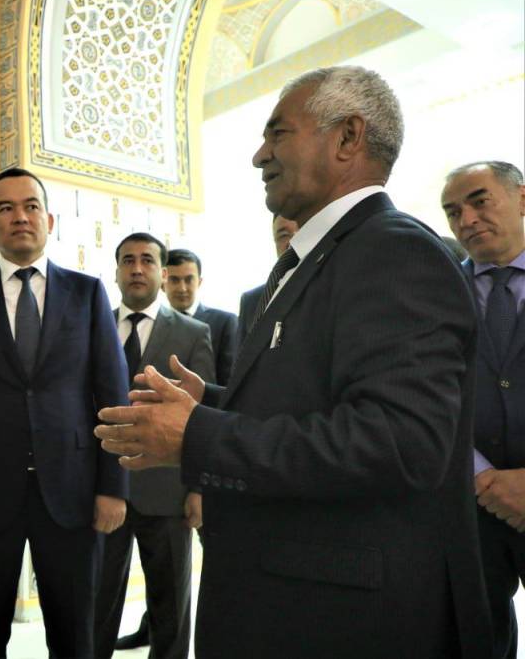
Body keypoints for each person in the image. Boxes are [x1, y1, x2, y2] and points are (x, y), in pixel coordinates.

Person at [95, 66, 492, 658]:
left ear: (348, 138)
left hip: (342, 619)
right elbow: (319, 403)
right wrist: (213, 403)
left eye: (278, 133)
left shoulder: (396, 251)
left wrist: (198, 433)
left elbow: (399, 441)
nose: (260, 155)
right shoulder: (318, 259)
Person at [0, 167, 129, 658]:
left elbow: (112, 396)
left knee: (74, 633)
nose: (20, 216)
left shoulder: (87, 293)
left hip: (73, 490)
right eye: (6, 208)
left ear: (49, 220)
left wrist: (113, 486)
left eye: (31, 206)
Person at [94, 233, 214, 659]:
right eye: (127, 260)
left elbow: (200, 418)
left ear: (162, 274)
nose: (136, 268)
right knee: (97, 606)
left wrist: (198, 488)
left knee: (170, 610)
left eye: (147, 260)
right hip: (103, 490)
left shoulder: (194, 333)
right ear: (116, 272)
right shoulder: (92, 328)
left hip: (167, 491)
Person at [441, 160, 525, 659]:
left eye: (479, 201)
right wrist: (481, 476)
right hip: (469, 507)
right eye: (453, 212)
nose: (466, 220)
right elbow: (426, 392)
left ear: (522, 198)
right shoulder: (435, 295)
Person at [163, 249, 237, 384]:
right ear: (162, 283)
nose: (182, 288)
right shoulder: (153, 324)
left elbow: (230, 379)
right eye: (174, 280)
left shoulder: (224, 322)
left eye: (189, 280)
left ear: (199, 281)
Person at [237, 214, 299, 337]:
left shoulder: (330, 288)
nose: (292, 242)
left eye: (301, 232)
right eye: (283, 235)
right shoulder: (252, 301)